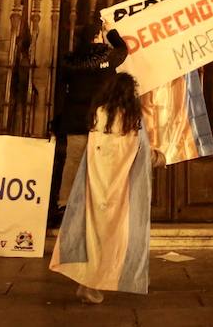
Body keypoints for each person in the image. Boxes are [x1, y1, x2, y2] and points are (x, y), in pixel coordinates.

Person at [50, 71, 151, 304]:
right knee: (113, 238)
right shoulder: (132, 120)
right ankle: (92, 283)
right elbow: (140, 154)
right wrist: (159, 158)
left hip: (95, 184)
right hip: (120, 189)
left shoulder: (99, 114)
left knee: (92, 234)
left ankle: (87, 283)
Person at [49, 25, 128, 224]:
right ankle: (98, 205)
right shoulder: (107, 58)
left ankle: (65, 203)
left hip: (75, 120)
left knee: (73, 162)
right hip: (100, 121)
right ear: (96, 37)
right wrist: (111, 32)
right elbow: (123, 49)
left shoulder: (70, 62)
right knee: (101, 164)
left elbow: (61, 86)